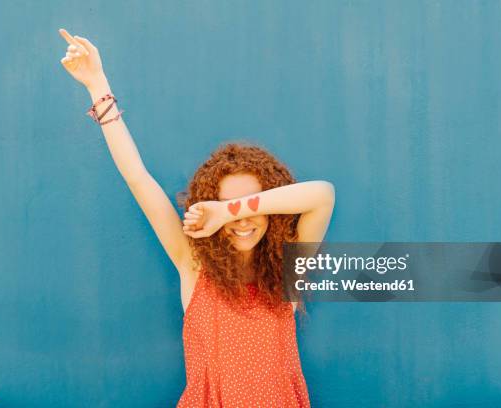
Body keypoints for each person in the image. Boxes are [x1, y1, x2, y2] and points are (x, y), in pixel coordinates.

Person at [59, 28, 335, 407]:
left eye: (256, 204)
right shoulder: (194, 267)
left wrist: (227, 209)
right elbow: (138, 178)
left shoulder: (287, 274)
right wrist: (96, 85)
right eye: (226, 204)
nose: (242, 218)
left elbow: (322, 195)